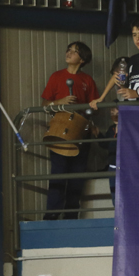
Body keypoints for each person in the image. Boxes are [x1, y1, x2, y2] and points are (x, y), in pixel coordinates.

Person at [41, 41, 100, 220]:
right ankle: (51, 217)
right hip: (59, 131)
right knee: (58, 175)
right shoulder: (56, 76)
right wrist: (59, 102)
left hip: (80, 132)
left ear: (82, 59)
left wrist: (90, 118)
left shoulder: (87, 81)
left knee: (76, 177)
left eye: (74, 52)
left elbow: (94, 107)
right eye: (68, 50)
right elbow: (44, 104)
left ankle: (71, 217)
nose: (69, 53)